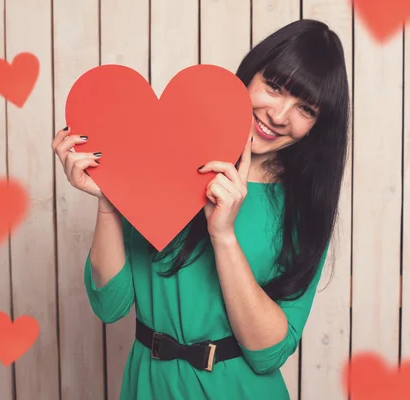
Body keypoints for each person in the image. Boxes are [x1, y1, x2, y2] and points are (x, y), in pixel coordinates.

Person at [51, 18, 349, 400]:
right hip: (148, 386)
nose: (278, 115)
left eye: (305, 108)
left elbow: (268, 354)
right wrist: (111, 198)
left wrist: (223, 235)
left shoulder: (305, 207)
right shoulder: (161, 158)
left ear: (319, 124)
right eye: (274, 87)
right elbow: (111, 306)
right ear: (249, 74)